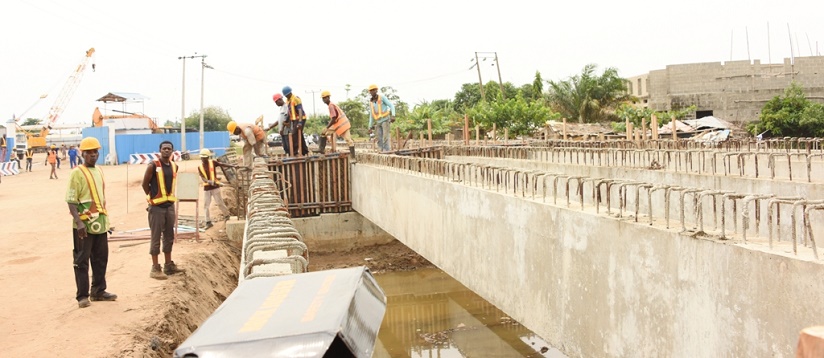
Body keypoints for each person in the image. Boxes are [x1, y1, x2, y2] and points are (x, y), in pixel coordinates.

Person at [66, 137, 117, 308]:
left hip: (100, 223)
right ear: (83, 154)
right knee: (82, 260)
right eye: (89, 152)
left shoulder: (99, 171)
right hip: (84, 225)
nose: (93, 155)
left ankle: (98, 291)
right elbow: (71, 201)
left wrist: (107, 222)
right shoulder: (76, 173)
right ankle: (82, 296)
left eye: (95, 151)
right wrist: (79, 223)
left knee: (101, 259)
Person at [141, 141, 184, 279]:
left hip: (169, 205)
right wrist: (152, 198)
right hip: (157, 207)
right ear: (159, 150)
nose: (166, 151)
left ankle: (168, 265)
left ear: (172, 151)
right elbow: (144, 184)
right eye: (164, 149)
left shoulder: (174, 166)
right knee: (156, 237)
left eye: (169, 149)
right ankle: (155, 268)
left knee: (169, 236)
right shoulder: (153, 166)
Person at [197, 149, 236, 229]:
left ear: (208, 157)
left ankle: (226, 215)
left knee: (219, 202)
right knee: (206, 205)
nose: (203, 159)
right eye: (202, 158)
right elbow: (203, 178)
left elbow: (222, 164)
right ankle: (208, 222)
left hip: (215, 187)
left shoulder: (213, 163)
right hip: (207, 188)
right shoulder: (200, 167)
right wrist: (208, 181)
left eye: (205, 157)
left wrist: (233, 166)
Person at [319, 91, 356, 161]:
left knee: (349, 140)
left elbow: (334, 118)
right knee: (323, 133)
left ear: (328, 97)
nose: (324, 100)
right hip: (338, 125)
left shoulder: (331, 106)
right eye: (323, 98)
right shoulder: (332, 105)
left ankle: (353, 158)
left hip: (342, 125)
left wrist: (327, 127)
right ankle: (321, 150)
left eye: (325, 98)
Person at [367, 84, 396, 152]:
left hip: (385, 120)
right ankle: (380, 150)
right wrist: (370, 126)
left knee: (385, 137)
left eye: (373, 90)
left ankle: (386, 151)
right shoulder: (371, 102)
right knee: (379, 138)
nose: (372, 92)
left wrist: (393, 115)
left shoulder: (382, 98)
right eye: (371, 91)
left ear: (376, 90)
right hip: (378, 122)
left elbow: (391, 105)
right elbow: (371, 115)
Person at [282, 86, 309, 156]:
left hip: (300, 118)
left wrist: (300, 122)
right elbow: (289, 112)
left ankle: (294, 152)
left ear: (290, 93)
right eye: (285, 95)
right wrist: (287, 121)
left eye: (287, 95)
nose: (286, 96)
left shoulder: (296, 99)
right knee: (299, 134)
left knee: (294, 134)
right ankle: (305, 151)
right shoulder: (287, 101)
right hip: (294, 120)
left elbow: (300, 110)